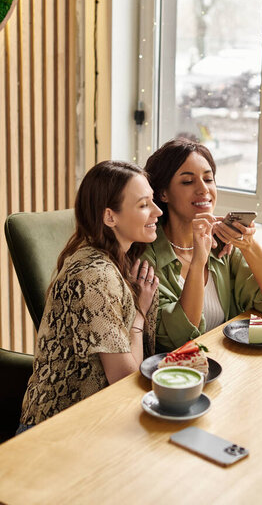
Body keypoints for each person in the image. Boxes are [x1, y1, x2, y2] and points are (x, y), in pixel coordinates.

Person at [17, 160, 162, 432]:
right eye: (144, 205)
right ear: (110, 217)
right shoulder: (95, 276)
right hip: (55, 432)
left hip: (96, 420)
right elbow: (124, 380)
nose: (157, 211)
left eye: (152, 201)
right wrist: (139, 315)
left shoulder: (117, 258)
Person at [143, 138, 262, 352]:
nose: (203, 189)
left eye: (208, 179)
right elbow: (179, 339)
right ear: (163, 193)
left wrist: (249, 246)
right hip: (179, 375)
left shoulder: (223, 246)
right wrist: (198, 261)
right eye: (188, 182)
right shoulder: (148, 257)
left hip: (228, 366)